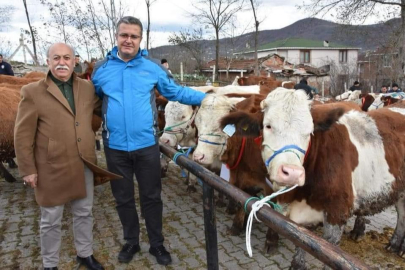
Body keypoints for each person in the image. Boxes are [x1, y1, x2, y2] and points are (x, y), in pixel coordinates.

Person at [92, 16, 206, 266]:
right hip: (115, 148)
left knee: (151, 197)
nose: (128, 40)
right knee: (123, 198)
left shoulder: (152, 67)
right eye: (124, 35)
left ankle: (157, 244)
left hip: (146, 146)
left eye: (134, 36)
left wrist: (207, 97)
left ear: (141, 39)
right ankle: (131, 241)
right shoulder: (102, 70)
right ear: (117, 36)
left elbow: (175, 92)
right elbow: (95, 100)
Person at [14, 42, 119, 270]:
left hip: (84, 162)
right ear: (48, 62)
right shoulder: (32, 92)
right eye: (56, 58)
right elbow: (22, 135)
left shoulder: (87, 89)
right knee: (51, 218)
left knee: (84, 212)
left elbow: (108, 107)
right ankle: (50, 264)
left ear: (74, 61)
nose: (62, 62)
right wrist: (28, 169)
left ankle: (85, 254)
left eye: (66, 58)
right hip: (51, 166)